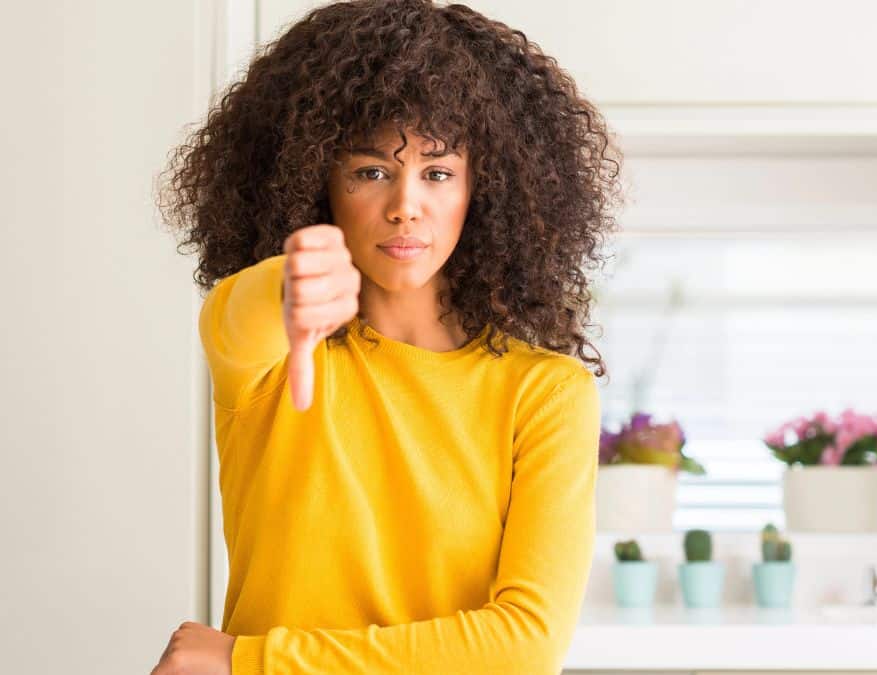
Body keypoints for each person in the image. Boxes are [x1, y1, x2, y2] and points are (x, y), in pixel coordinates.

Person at [154, 0, 622, 672]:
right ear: (320, 184)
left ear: (483, 192)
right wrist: (291, 284)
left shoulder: (546, 393)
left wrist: (252, 661)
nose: (406, 203)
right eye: (371, 170)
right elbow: (238, 316)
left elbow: (524, 644)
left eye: (437, 173)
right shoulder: (272, 350)